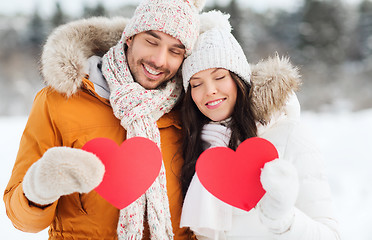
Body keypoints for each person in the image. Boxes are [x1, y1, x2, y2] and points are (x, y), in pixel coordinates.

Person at [3, 0, 205, 239]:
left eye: (175, 50)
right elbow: (22, 221)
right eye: (151, 41)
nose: (160, 60)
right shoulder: (58, 101)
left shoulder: (192, 106)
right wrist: (39, 189)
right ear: (129, 37)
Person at [179, 11, 341, 239]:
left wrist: (283, 219)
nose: (209, 91)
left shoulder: (288, 134)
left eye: (219, 77)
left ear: (239, 80)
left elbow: (331, 235)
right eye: (196, 84)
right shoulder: (197, 147)